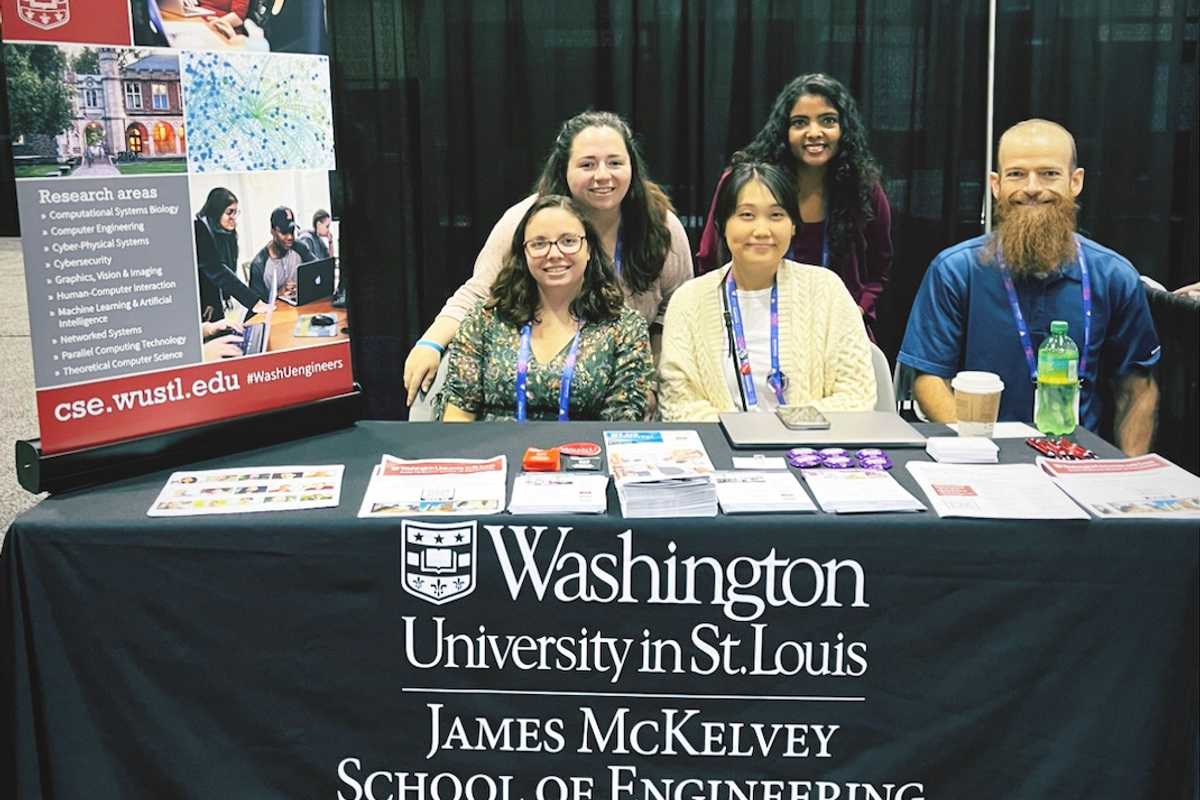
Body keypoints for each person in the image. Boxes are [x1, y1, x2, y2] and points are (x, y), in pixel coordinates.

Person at [898, 119, 1160, 454]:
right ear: (995, 184)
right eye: (1016, 174)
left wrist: (1129, 477)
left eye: (1049, 173)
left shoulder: (1114, 276)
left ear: (1075, 181)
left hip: (1079, 464)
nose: (1032, 188)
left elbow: (1138, 390)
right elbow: (929, 380)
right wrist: (974, 452)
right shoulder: (955, 270)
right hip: (982, 461)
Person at [403, 110, 693, 406]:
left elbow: (676, 311)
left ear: (632, 167)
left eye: (615, 163)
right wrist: (430, 342)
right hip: (536, 382)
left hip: (620, 382)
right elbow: (478, 292)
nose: (603, 175)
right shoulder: (525, 221)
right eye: (587, 164)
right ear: (564, 169)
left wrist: (650, 377)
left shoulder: (661, 227)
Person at [659, 161, 876, 421]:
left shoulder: (828, 291)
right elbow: (678, 404)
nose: (762, 231)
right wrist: (743, 434)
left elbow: (857, 396)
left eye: (776, 215)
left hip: (810, 451)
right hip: (722, 451)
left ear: (794, 225)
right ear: (722, 224)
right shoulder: (689, 301)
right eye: (746, 215)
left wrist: (783, 430)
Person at [697, 73, 892, 336]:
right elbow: (710, 257)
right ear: (784, 131)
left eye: (828, 120)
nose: (814, 133)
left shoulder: (864, 188)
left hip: (838, 330)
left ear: (843, 129)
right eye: (800, 122)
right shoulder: (744, 181)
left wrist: (857, 309)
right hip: (753, 327)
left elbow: (878, 270)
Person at [440, 195, 654, 422]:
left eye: (568, 241)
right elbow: (458, 415)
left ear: (589, 249)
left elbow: (621, 425)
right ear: (523, 252)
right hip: (495, 452)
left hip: (584, 454)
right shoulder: (484, 319)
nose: (554, 254)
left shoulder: (625, 327)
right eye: (539, 244)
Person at [194, 187, 271, 324]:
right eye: (230, 212)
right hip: (202, 301)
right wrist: (254, 302)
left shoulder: (223, 231)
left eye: (236, 212)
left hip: (214, 300)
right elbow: (216, 269)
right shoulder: (199, 229)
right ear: (216, 211)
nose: (233, 217)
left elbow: (227, 268)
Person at [249, 206, 314, 302]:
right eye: (284, 232)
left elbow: (318, 271)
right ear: (273, 231)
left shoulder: (300, 248)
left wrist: (302, 286)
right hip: (276, 314)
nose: (290, 237)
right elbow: (256, 304)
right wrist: (277, 294)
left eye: (292, 231)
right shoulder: (259, 265)